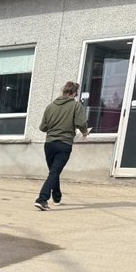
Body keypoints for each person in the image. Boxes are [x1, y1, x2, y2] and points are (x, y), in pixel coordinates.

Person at [35, 81, 89, 211]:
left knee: (54, 172)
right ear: (75, 93)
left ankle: (57, 197)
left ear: (63, 91)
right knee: (54, 172)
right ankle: (42, 199)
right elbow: (81, 122)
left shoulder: (50, 107)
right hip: (64, 144)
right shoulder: (76, 106)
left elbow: (43, 127)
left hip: (49, 144)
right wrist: (85, 132)